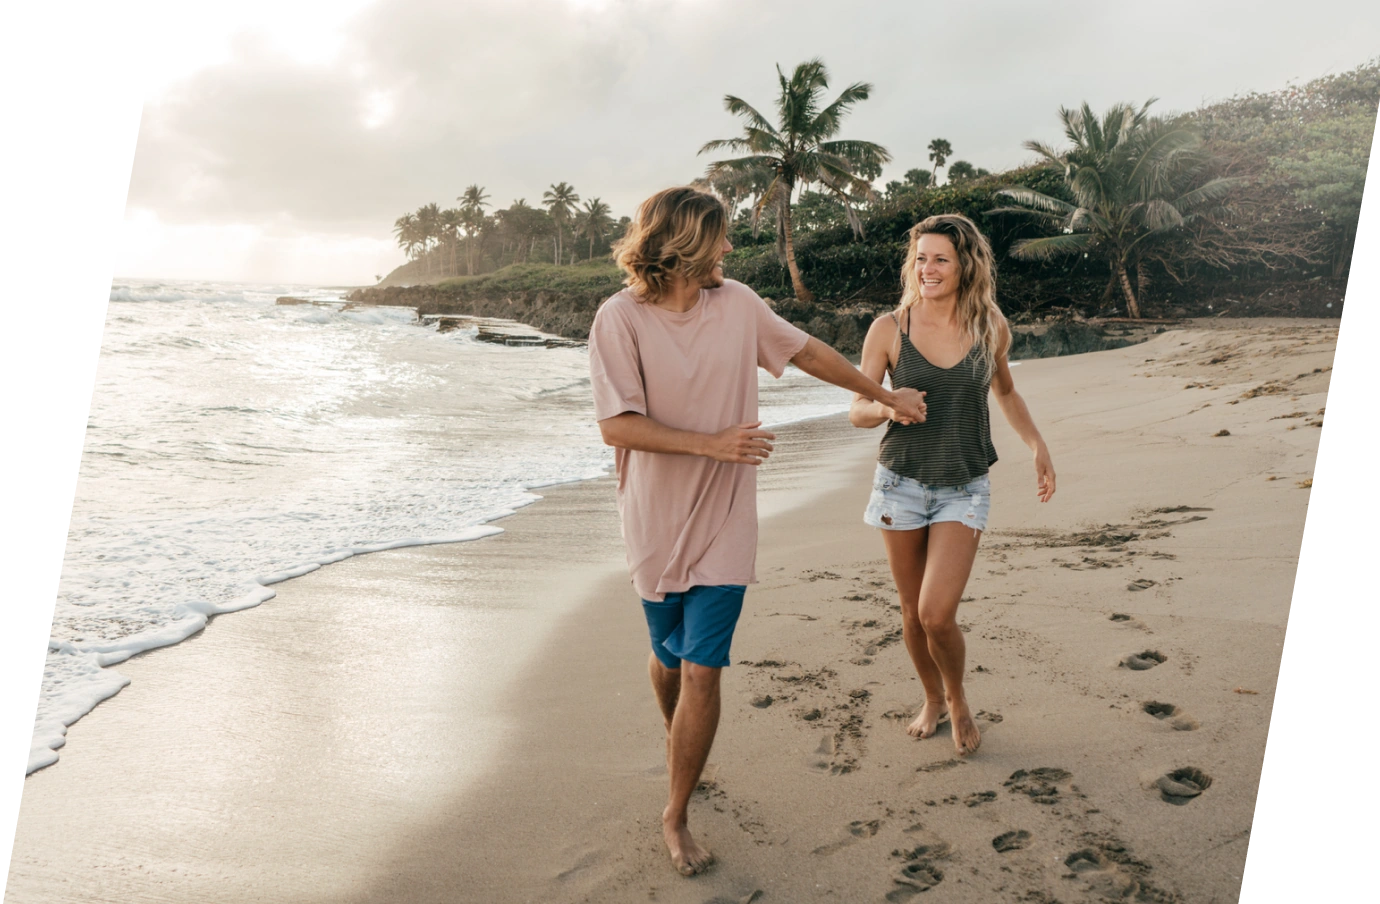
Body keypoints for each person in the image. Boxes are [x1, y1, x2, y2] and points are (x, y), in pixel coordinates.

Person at [588, 186, 926, 876]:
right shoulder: (617, 320)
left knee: (703, 670)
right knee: (669, 654)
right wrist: (712, 443)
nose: (730, 249)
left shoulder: (737, 304)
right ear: (683, 244)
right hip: (654, 520)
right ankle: (674, 733)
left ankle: (675, 813)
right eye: (721, 236)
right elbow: (615, 426)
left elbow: (805, 353)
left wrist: (883, 394)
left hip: (726, 522)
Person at [849, 213, 1056, 757]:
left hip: (964, 484)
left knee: (936, 612)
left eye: (940, 258)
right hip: (900, 483)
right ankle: (931, 699)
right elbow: (857, 410)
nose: (928, 268)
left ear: (966, 264)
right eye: (921, 258)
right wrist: (890, 405)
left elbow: (1006, 393)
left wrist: (1036, 445)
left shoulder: (991, 326)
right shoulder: (889, 329)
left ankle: (957, 696)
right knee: (911, 610)